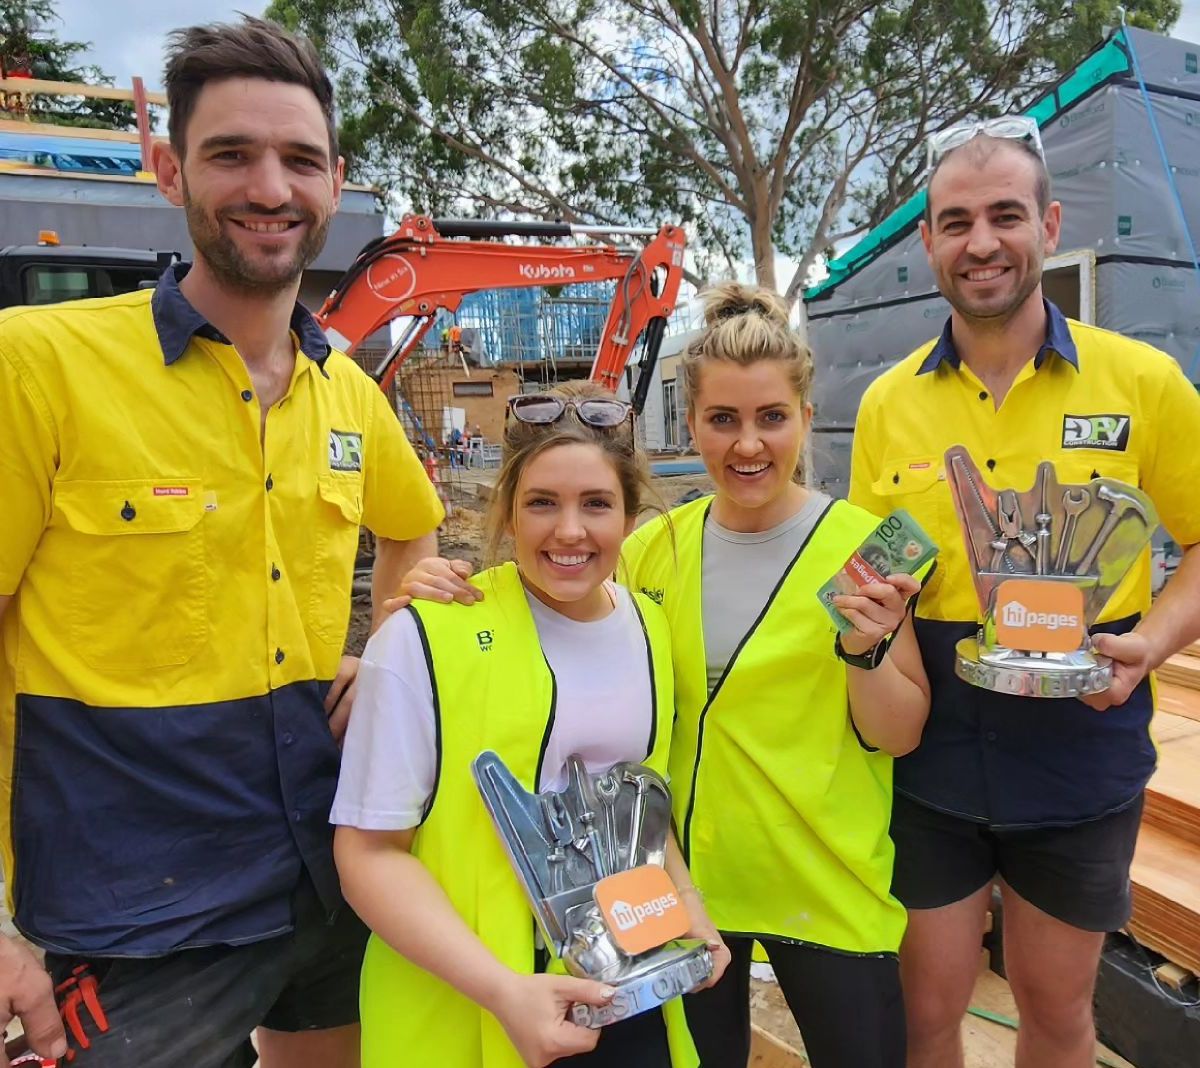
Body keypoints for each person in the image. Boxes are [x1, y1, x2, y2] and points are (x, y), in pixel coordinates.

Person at [0, 16, 443, 1068]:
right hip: (134, 913)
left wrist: (383, 652)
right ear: (169, 170)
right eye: (230, 154)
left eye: (298, 159)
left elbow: (415, 529)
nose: (268, 187)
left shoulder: (347, 391)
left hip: (329, 868)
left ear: (335, 183)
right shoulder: (40, 366)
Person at [396, 285, 932, 1068]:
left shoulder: (866, 549)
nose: (748, 445)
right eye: (724, 420)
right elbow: (546, 624)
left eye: (771, 418)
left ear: (806, 420)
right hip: (677, 891)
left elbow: (899, 733)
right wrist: (445, 591)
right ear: (693, 425)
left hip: (823, 883)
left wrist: (867, 651)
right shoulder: (656, 549)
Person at [849, 118, 1200, 1068]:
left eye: (1006, 215)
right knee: (926, 1017)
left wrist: (1154, 642)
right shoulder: (888, 405)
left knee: (1055, 1013)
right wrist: (859, 606)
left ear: (1048, 223)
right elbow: (880, 562)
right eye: (955, 221)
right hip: (933, 743)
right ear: (927, 241)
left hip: (1083, 731)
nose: (982, 242)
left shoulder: (1144, 384)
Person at [331, 382, 728, 1068]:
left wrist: (691, 912)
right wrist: (504, 991)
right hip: (472, 1010)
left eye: (596, 504)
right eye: (543, 502)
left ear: (631, 515)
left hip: (628, 1001)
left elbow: (638, 815)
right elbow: (367, 856)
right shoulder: (424, 639)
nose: (569, 530)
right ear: (507, 513)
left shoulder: (647, 628)